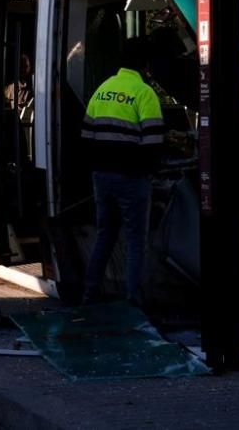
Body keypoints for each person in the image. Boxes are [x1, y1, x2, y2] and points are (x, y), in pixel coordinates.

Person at [80, 37, 164, 306]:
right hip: (132, 178)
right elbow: (153, 144)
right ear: (145, 64)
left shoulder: (102, 90)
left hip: (101, 177)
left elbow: (86, 137)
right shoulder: (144, 93)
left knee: (105, 234)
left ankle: (90, 292)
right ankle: (133, 300)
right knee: (135, 240)